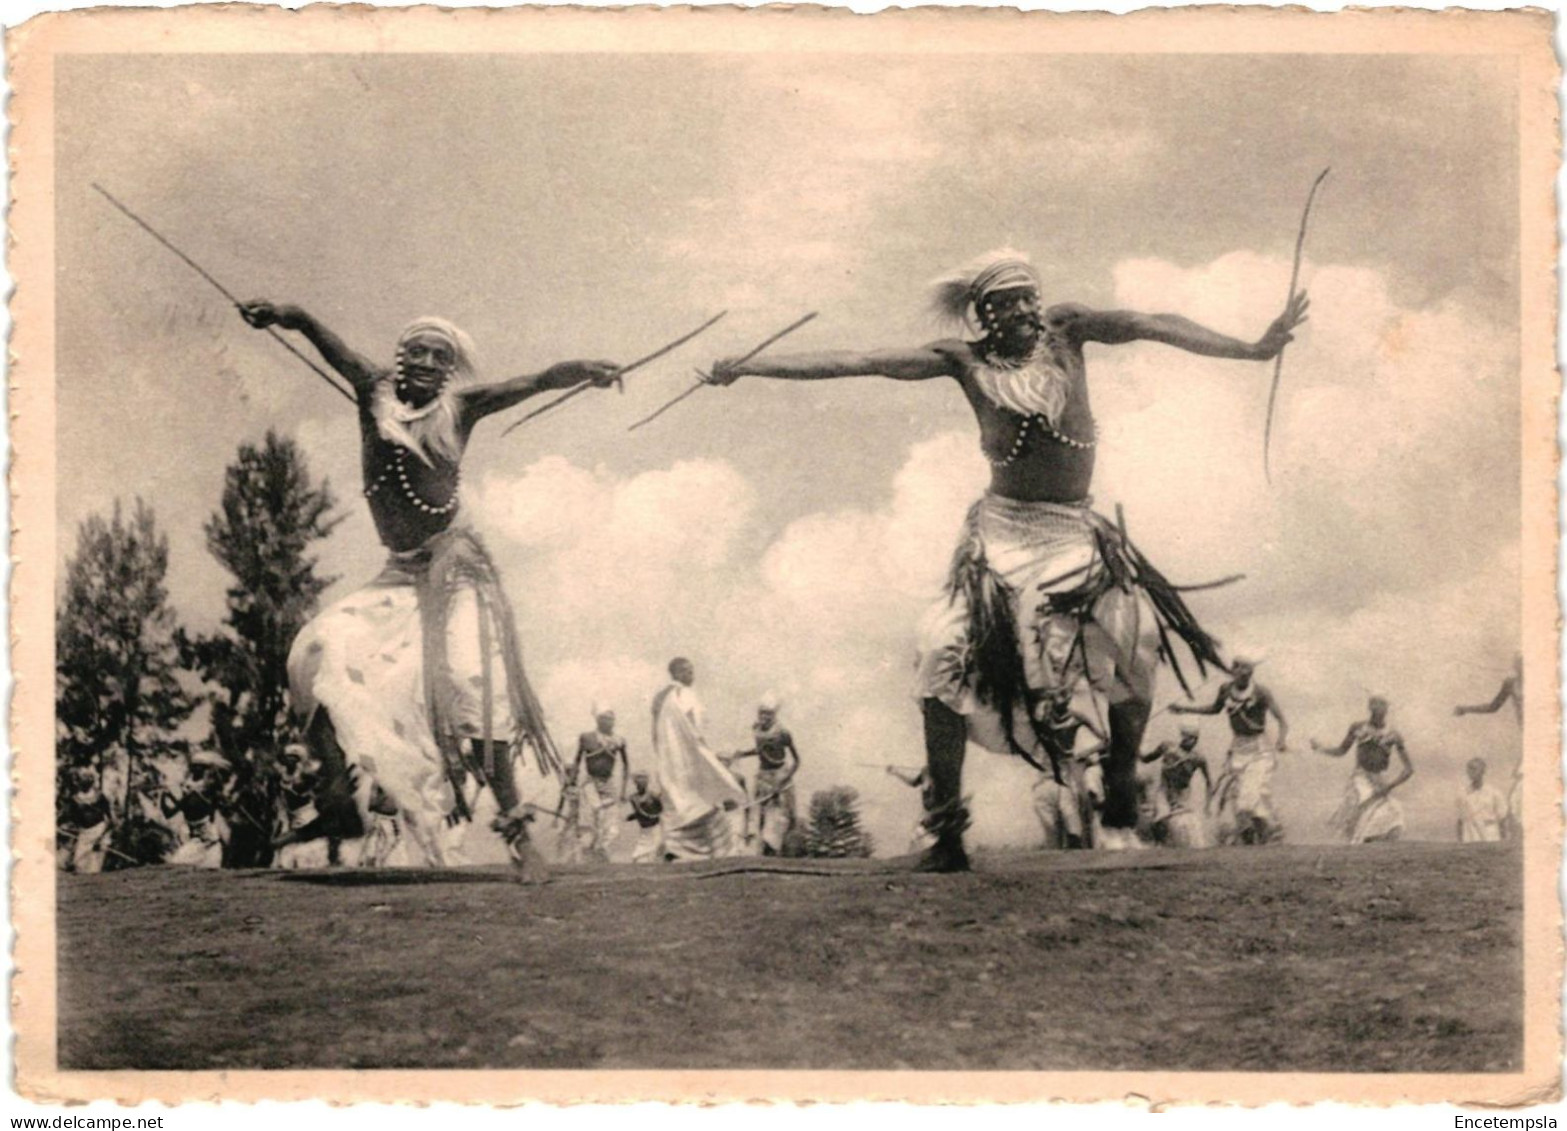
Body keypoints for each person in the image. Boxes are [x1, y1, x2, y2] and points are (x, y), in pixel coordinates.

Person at [705, 252, 1304, 870]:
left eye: (1027, 297)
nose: (1021, 310)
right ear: (982, 315)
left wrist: (1250, 349)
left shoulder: (1069, 332)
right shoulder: (963, 362)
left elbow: (1152, 321)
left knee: (1135, 637)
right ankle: (945, 830)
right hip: (1000, 537)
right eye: (1004, 303)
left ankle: (1121, 782)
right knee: (940, 650)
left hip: (1073, 531)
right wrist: (752, 368)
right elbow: (862, 362)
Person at [238, 301, 620, 866]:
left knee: (471, 684)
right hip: (398, 572)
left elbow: (534, 381)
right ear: (400, 356)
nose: (425, 362)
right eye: (416, 351)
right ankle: (336, 798)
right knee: (313, 650)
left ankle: (518, 837)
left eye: (439, 357)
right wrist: (287, 315)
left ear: (449, 371)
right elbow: (326, 340)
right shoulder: (372, 390)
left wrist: (585, 369)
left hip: (455, 569)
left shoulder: (460, 408)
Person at [1172, 654, 1288, 845]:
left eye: (1248, 669)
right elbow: (1214, 709)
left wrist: (1281, 741)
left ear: (1252, 672)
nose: (1244, 673)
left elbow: (1282, 721)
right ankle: (1260, 840)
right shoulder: (1226, 690)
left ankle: (1265, 834)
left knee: (1248, 797)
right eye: (1240, 668)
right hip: (1238, 748)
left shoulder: (1261, 692)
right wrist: (1185, 709)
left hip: (1260, 748)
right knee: (1243, 800)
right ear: (1233, 670)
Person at [650, 658, 746, 860]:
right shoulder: (684, 694)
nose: (692, 676)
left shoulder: (659, 697)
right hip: (687, 756)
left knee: (676, 800)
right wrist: (703, 751)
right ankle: (708, 850)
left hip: (669, 758)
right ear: (678, 673)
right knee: (701, 796)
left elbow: (655, 731)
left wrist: (660, 753)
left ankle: (675, 849)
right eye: (688, 672)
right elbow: (694, 725)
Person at [1311, 696, 1413, 844]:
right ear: (1369, 707)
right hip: (1361, 777)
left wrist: (1389, 786)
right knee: (1364, 803)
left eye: (1381, 704)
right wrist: (1321, 748)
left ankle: (1370, 845)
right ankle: (1356, 843)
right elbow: (1341, 750)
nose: (1376, 708)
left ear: (1387, 708)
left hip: (1380, 779)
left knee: (1394, 813)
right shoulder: (1358, 727)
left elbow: (1409, 769)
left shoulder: (1393, 735)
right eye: (1373, 704)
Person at [1454, 654, 1523, 840]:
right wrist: (1467, 709)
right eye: (1518, 661)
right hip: (1529, 740)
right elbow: (1493, 706)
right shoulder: (1511, 683)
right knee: (1519, 793)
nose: (1520, 665)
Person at [1029, 686, 1106, 850]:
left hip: (1068, 767)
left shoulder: (1076, 717)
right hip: (1049, 768)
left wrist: (1083, 753)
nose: (1062, 699)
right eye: (1057, 695)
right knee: (1048, 807)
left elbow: (1105, 740)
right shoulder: (1046, 716)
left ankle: (1083, 845)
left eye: (1065, 695)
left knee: (1075, 806)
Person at [727, 694, 802, 856]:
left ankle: (776, 851)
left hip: (780, 776)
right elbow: (762, 750)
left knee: (779, 817)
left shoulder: (783, 733)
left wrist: (782, 781)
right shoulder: (756, 728)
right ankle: (758, 851)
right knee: (758, 815)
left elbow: (797, 761)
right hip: (762, 776)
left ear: (774, 715)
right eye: (762, 713)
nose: (764, 717)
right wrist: (743, 753)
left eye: (768, 713)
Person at [572, 704, 630, 863]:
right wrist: (571, 782)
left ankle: (601, 850)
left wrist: (623, 791)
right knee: (590, 820)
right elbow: (577, 761)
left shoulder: (619, 740)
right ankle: (586, 854)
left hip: (608, 784)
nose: (608, 722)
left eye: (611, 719)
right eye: (604, 718)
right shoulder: (586, 738)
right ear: (597, 720)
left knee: (611, 824)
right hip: (590, 784)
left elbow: (626, 766)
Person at [1139, 724, 1213, 848]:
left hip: (1183, 793)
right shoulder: (1167, 747)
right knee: (1159, 818)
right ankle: (1159, 847)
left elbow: (1209, 782)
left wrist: (1208, 805)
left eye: (1194, 738)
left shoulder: (1198, 758)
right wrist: (1131, 744)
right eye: (1187, 737)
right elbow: (1146, 758)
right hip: (1164, 789)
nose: (1190, 741)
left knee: (1186, 823)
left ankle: (1184, 848)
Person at [161, 751, 231, 868]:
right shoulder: (191, 795)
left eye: (198, 767)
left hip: (209, 842)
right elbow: (170, 812)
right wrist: (164, 797)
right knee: (179, 865)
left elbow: (207, 794)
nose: (194, 769)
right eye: (194, 767)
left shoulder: (204, 791)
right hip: (197, 841)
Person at [275, 744, 329, 870]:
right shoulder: (282, 775)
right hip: (291, 818)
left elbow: (315, 779)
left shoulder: (304, 775)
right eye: (288, 757)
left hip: (306, 816)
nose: (290, 760)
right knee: (286, 856)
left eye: (294, 758)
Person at [58, 767, 112, 874]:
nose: (84, 782)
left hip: (100, 829)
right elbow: (70, 817)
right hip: (84, 832)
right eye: (81, 780)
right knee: (79, 864)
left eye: (87, 779)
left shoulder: (100, 797)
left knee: (95, 863)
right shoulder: (75, 799)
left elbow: (109, 817)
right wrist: (63, 826)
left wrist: (103, 836)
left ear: (91, 781)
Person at [1456, 757, 1509, 844]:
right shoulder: (1462, 794)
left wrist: (1503, 841)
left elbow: (1502, 819)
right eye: (1469, 769)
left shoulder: (1494, 793)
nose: (1471, 772)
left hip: (1490, 836)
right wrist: (1460, 841)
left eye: (1474, 769)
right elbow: (1460, 821)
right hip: (1470, 837)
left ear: (1483, 771)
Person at [625, 773, 666, 864]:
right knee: (637, 858)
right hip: (644, 832)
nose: (641, 786)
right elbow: (639, 813)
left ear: (646, 784)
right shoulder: (633, 798)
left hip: (655, 829)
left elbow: (661, 809)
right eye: (639, 784)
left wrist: (652, 815)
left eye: (643, 783)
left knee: (656, 854)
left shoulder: (652, 796)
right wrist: (632, 816)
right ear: (636, 785)